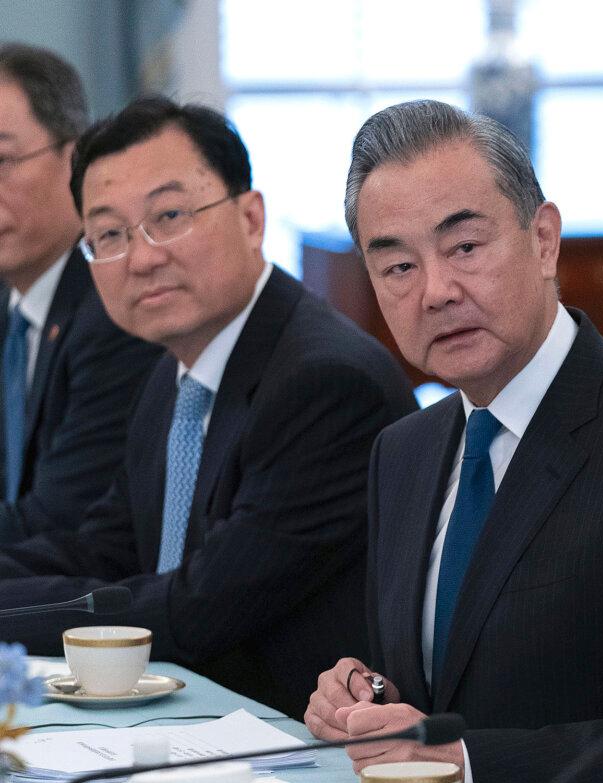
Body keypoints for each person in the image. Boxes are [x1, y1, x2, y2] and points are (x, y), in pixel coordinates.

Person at [304, 100, 603, 783]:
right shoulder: (403, 451)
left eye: (464, 248)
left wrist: (463, 763)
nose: (436, 292)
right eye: (398, 266)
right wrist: (362, 694)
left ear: (544, 239)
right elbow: (432, 680)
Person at [0, 97, 417, 719]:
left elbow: (196, 609)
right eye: (109, 235)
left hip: (303, 746)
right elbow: (99, 547)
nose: (142, 258)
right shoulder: (174, 371)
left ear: (252, 218)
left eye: (169, 215)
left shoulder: (324, 383)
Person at [0, 44, 159, 543]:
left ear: (75, 162)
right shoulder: (12, 303)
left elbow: (58, 522)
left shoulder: (114, 310)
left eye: (2, 159)